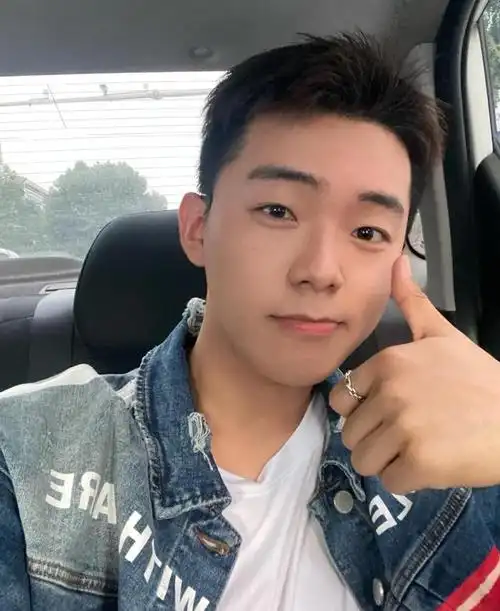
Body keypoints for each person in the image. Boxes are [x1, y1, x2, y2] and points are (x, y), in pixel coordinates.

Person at [2, 32, 500, 611]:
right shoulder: (30, 460)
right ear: (198, 229)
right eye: (278, 210)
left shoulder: (457, 456)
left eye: (367, 232)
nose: (321, 271)